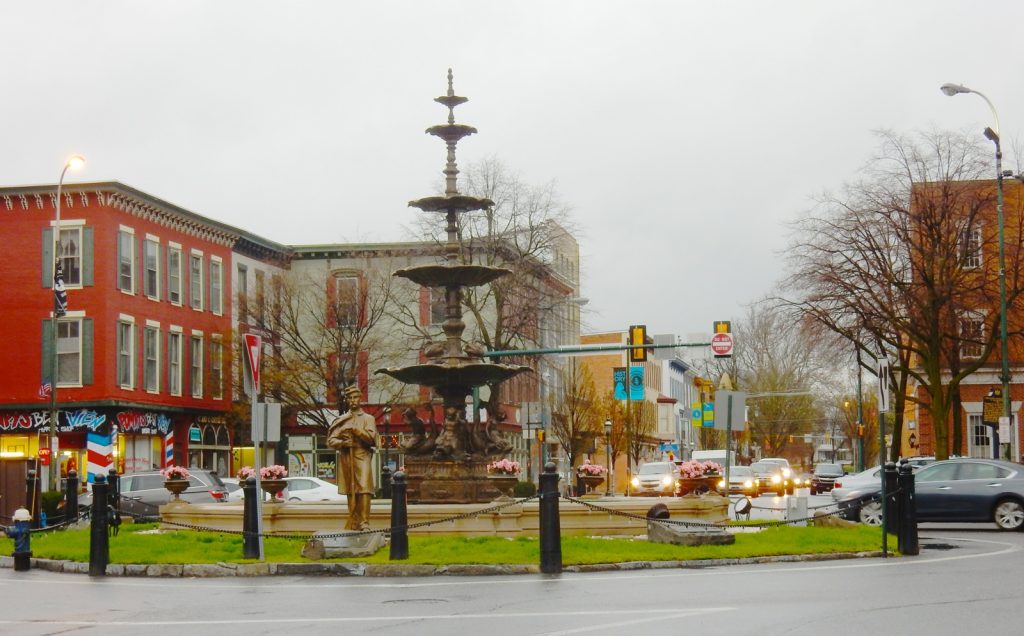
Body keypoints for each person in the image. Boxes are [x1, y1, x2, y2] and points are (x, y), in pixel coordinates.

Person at [326, 385, 378, 530]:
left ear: (360, 399)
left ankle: (364, 522)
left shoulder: (369, 419)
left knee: (365, 488)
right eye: (350, 398)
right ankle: (354, 520)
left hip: (362, 455)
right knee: (351, 490)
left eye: (355, 397)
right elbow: (330, 440)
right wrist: (343, 443)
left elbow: (371, 440)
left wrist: (356, 430)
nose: (353, 401)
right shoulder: (342, 419)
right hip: (347, 457)